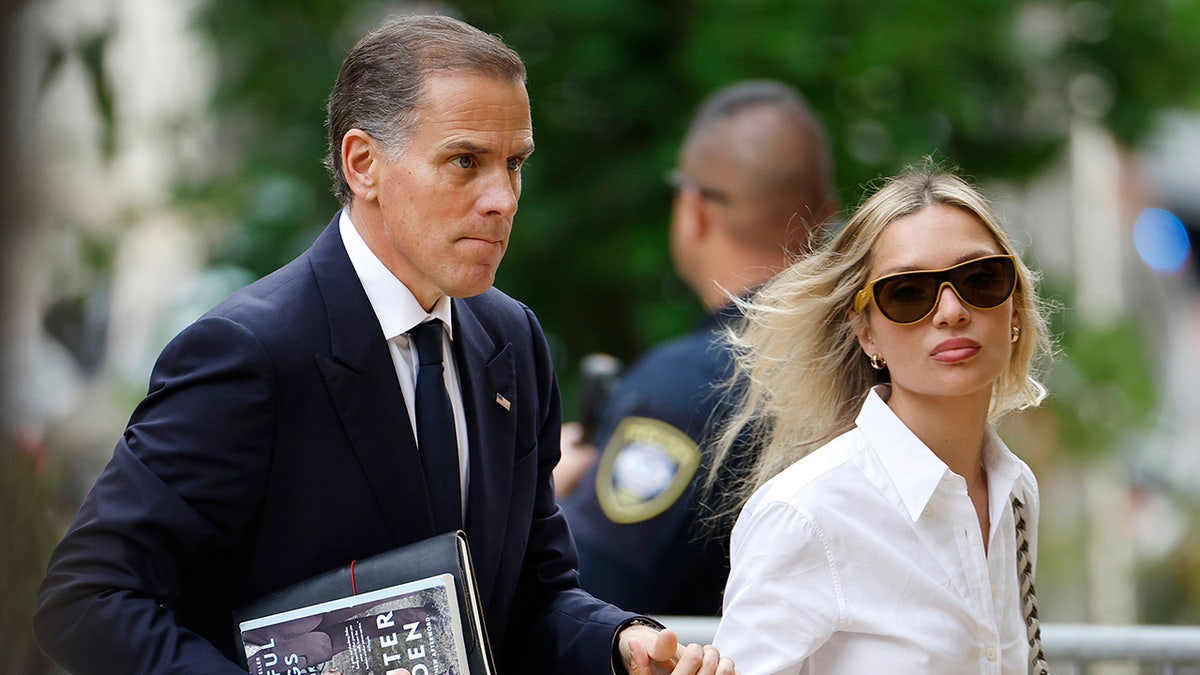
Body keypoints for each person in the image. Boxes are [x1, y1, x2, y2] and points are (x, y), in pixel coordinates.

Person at [32, 15, 735, 675]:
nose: (503, 197)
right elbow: (87, 599)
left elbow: (530, 596)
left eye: (514, 163)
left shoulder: (511, 340)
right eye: (466, 161)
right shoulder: (250, 351)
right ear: (364, 163)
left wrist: (620, 642)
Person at [708, 167, 1053, 674]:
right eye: (908, 292)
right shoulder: (806, 514)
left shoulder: (1015, 489)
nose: (952, 311)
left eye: (981, 279)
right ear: (866, 334)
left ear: (1015, 306)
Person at [557, 80, 837, 616]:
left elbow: (588, 595)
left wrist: (550, 501)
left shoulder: (686, 385)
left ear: (694, 208)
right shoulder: (877, 368)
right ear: (824, 215)